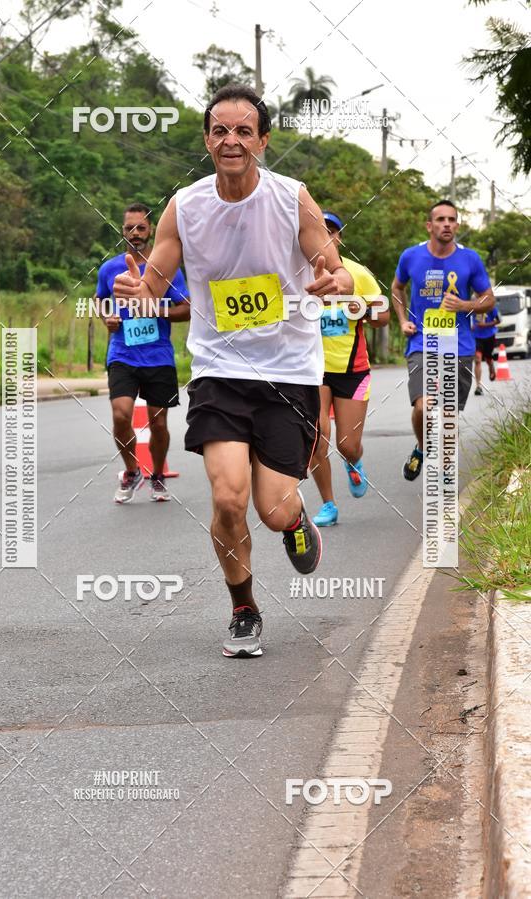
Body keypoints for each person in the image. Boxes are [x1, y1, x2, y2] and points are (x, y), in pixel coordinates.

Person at [113, 84, 354, 657]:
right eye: (220, 130)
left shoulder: (291, 198)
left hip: (289, 373)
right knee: (227, 499)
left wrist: (335, 282)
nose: (231, 141)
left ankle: (298, 522)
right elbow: (152, 286)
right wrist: (136, 291)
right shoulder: (186, 206)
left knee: (272, 510)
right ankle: (243, 607)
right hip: (220, 370)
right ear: (207, 140)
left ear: (263, 142)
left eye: (244, 131)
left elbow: (334, 267)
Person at [391, 200, 495, 481]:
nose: (447, 224)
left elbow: (488, 299)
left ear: (457, 225)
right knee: (423, 407)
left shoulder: (470, 259)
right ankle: (423, 448)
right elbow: (396, 288)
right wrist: (402, 320)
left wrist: (463, 305)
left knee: (448, 416)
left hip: (459, 346)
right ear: (429, 225)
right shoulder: (411, 257)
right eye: (440, 219)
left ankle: (445, 470)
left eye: (452, 219)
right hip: (422, 343)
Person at [96, 202, 190, 503]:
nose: (134, 233)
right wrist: (107, 318)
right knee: (121, 415)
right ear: (121, 230)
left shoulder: (167, 269)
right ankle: (133, 470)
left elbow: (186, 308)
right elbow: (100, 300)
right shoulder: (110, 268)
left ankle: (158, 475)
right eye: (128, 228)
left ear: (151, 230)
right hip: (122, 353)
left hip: (158, 355)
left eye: (140, 228)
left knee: (158, 422)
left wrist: (155, 307)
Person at [311, 211, 389, 527]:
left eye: (331, 231)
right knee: (317, 435)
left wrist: (358, 307)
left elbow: (383, 316)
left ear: (339, 238)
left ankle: (353, 461)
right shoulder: (297, 272)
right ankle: (328, 504)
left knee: (346, 445)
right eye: (319, 231)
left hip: (352, 369)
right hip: (312, 370)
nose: (325, 237)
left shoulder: (358, 274)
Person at [472, 306, 500, 394]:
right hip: (476, 336)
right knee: (477, 359)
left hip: (489, 336)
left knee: (488, 357)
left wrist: (485, 325)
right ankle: (478, 386)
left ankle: (491, 366)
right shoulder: (472, 305)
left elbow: (499, 320)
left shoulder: (491, 306)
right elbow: (466, 317)